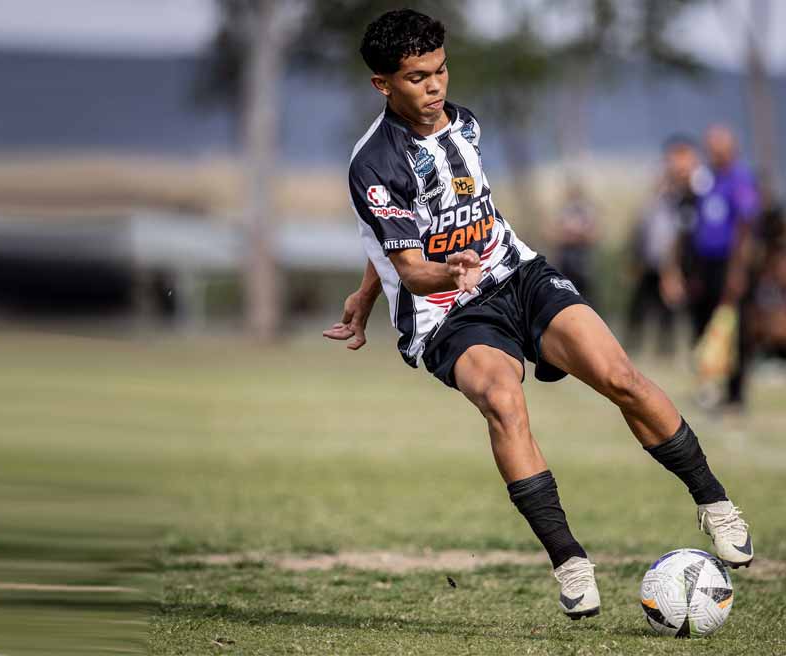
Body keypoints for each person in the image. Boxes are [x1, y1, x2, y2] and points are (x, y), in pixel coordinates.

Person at [322, 9, 753, 621]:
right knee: (503, 401)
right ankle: (569, 561)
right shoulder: (373, 162)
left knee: (620, 376)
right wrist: (446, 273)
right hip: (448, 314)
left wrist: (367, 293)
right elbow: (411, 267)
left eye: (441, 70)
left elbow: (411, 227)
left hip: (517, 274)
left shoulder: (465, 124)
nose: (435, 86)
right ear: (382, 84)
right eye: (417, 78)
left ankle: (714, 503)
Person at [663, 126, 760, 410]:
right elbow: (687, 225)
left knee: (733, 329)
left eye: (719, 147)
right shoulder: (705, 182)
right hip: (703, 267)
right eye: (711, 147)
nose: (714, 152)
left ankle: (735, 393)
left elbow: (745, 226)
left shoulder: (740, 180)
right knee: (703, 326)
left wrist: (738, 270)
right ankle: (708, 387)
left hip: (729, 264)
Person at [625, 136, 698, 356]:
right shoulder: (659, 195)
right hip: (651, 262)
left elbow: (682, 232)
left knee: (669, 311)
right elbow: (643, 228)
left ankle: (667, 353)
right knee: (638, 309)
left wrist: (674, 268)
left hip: (676, 264)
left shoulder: (694, 193)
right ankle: (631, 350)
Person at [547, 182, 600, 302]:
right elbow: (553, 233)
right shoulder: (563, 212)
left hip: (582, 256)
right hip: (566, 256)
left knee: (586, 293)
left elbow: (594, 234)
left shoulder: (587, 211)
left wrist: (579, 237)